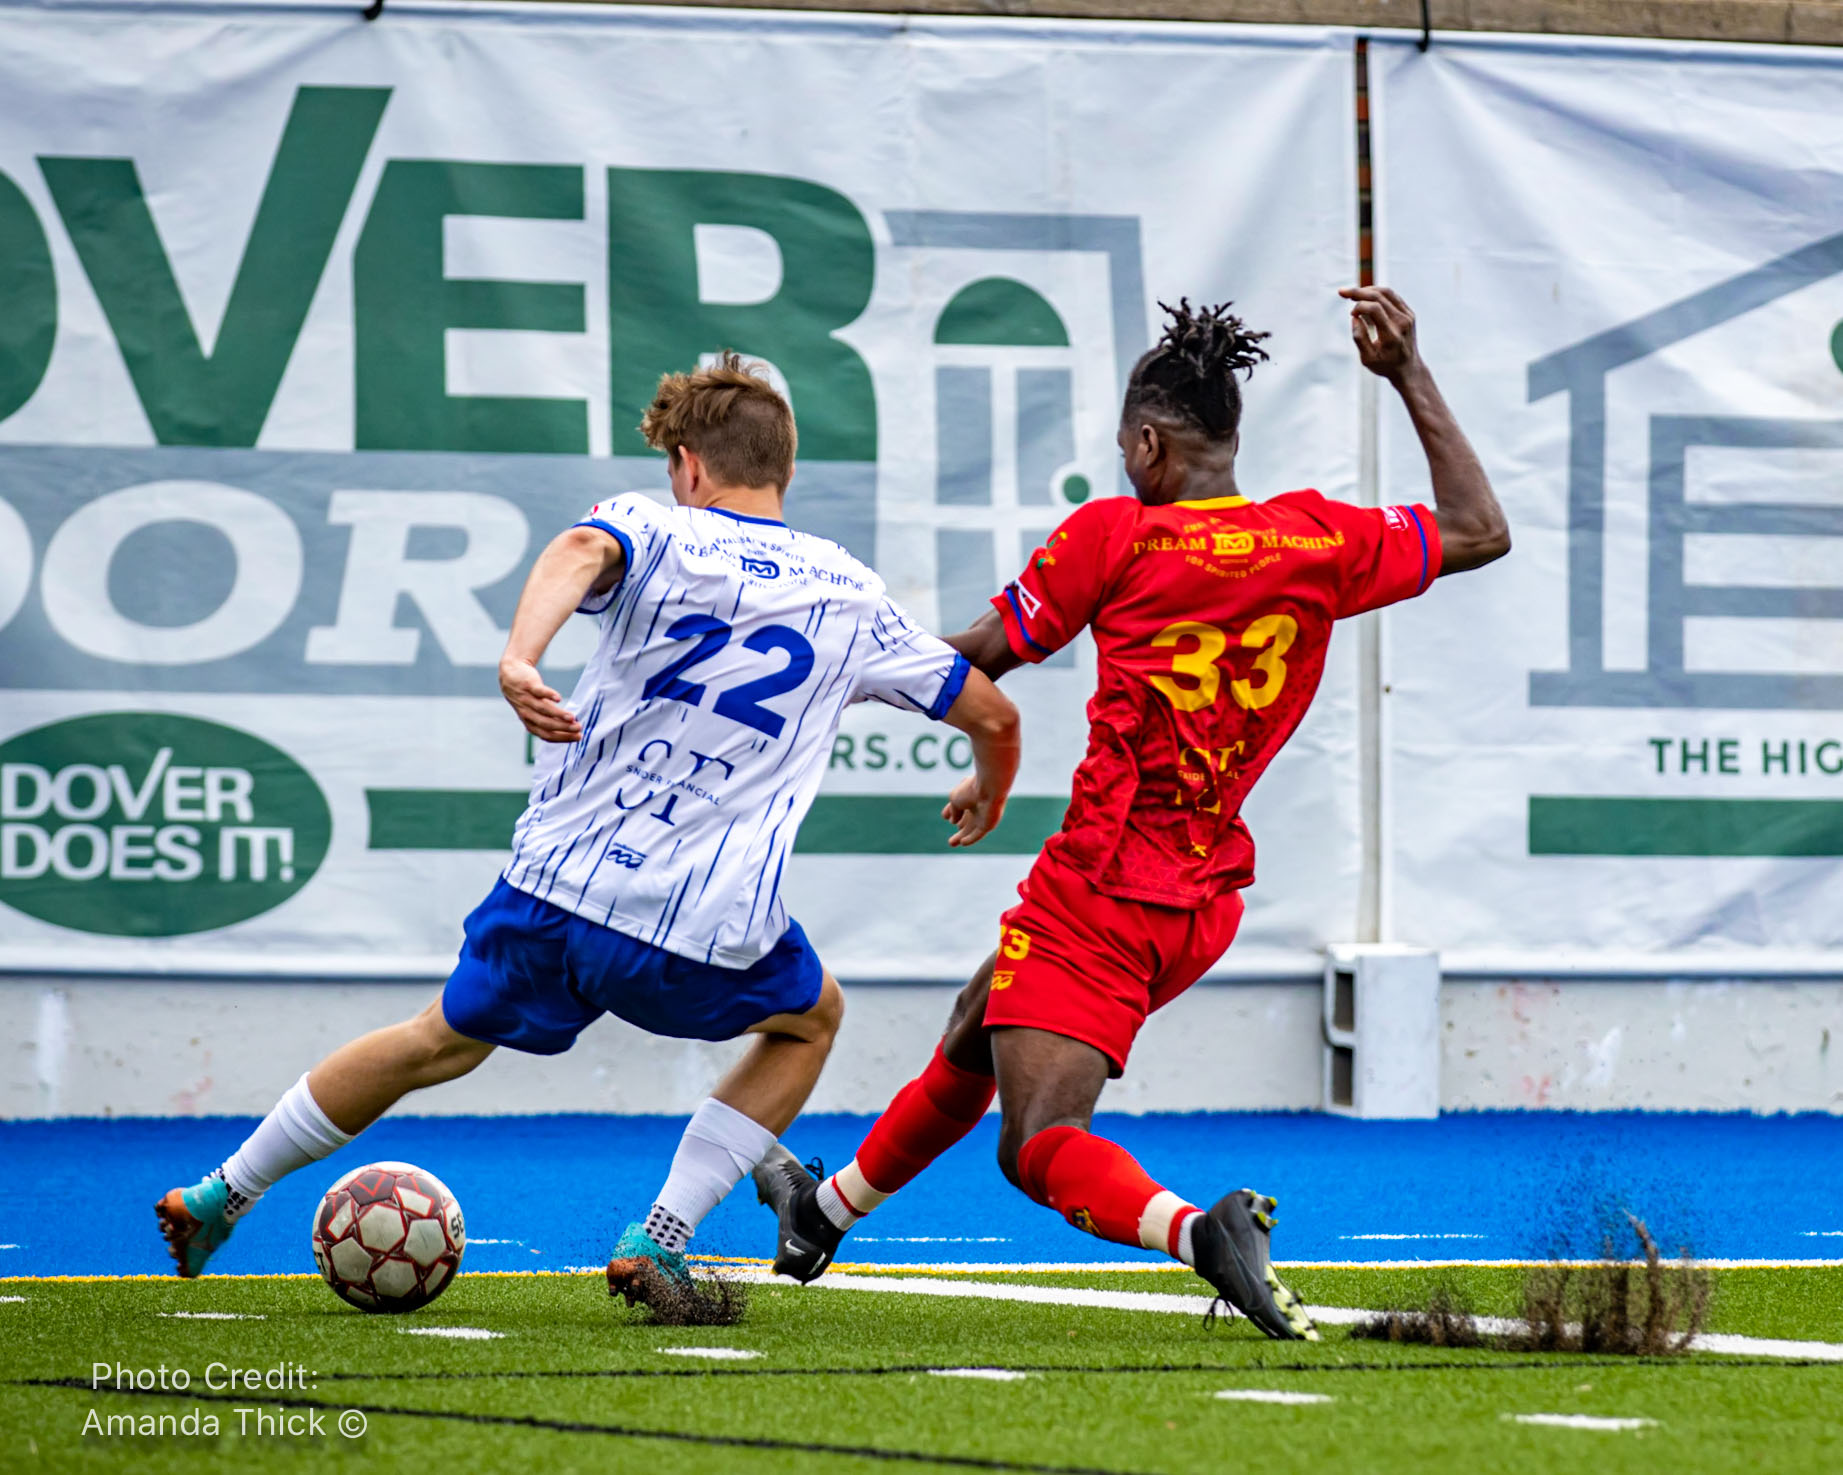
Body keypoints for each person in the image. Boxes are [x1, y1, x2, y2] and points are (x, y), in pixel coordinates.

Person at [157, 354, 1022, 1306]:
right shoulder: (851, 594)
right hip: (695, 917)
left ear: (689, 465)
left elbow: (576, 552)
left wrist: (520, 657)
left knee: (434, 1038)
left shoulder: (657, 527)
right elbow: (993, 714)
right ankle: (658, 1235)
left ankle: (222, 1189)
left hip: (552, 889)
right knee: (810, 1019)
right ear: (782, 465)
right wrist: (988, 786)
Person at [753, 287, 1510, 1339]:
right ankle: (820, 1213)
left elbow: (970, 657)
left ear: (1148, 444)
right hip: (1202, 897)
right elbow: (1480, 529)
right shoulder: (1316, 539)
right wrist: (1405, 373)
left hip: (1105, 881)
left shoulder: (1116, 536)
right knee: (980, 1020)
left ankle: (1205, 1235)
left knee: (1035, 1140)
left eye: (1124, 447)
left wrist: (822, 666)